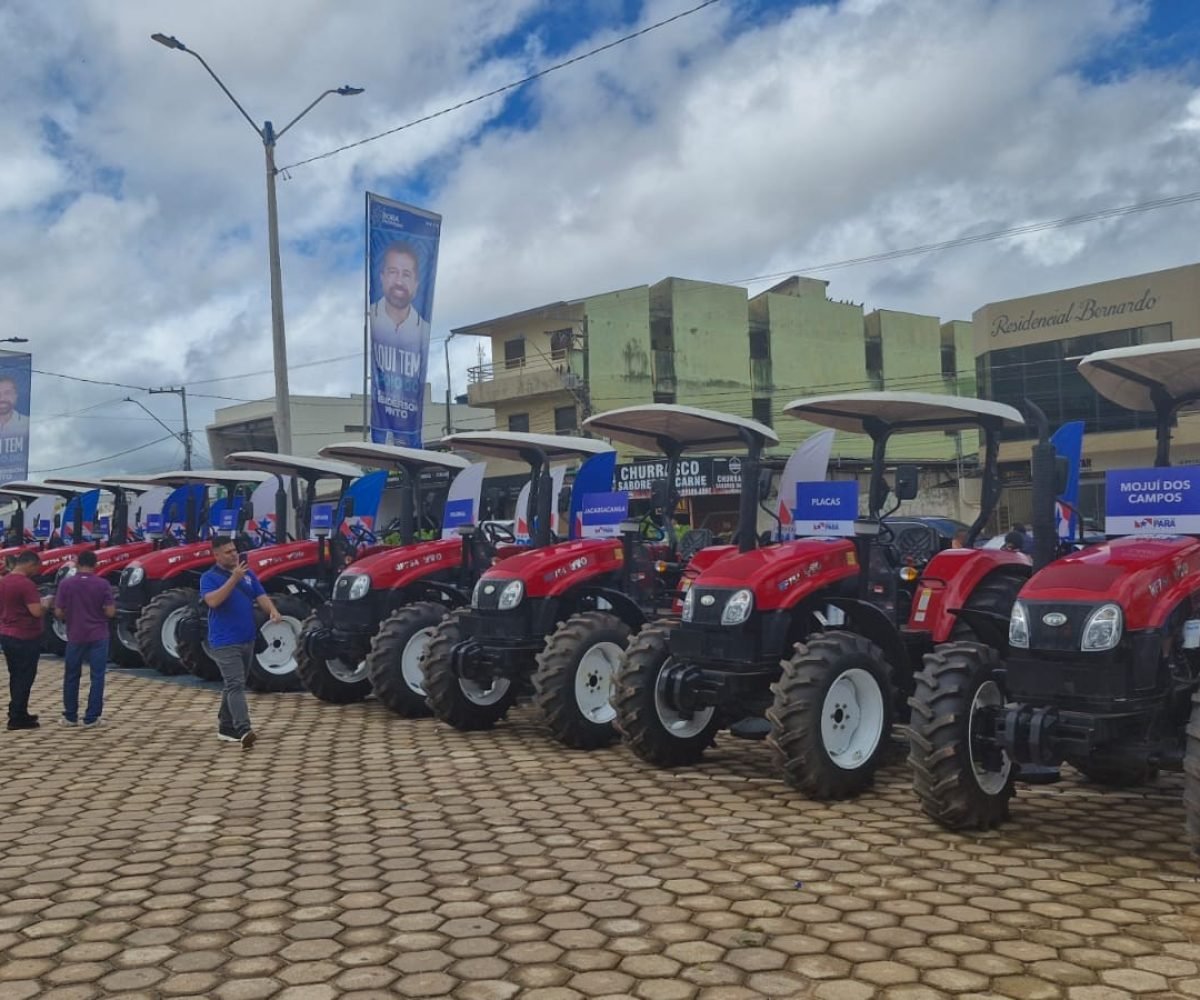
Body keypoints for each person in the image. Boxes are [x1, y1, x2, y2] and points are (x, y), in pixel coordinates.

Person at [200, 537, 282, 749]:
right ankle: (243, 729)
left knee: (234, 684)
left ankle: (225, 727)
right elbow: (213, 601)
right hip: (224, 640)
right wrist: (233, 579)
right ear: (216, 555)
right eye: (228, 552)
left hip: (247, 638)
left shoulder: (248, 574)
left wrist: (272, 611)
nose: (234, 554)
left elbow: (260, 595)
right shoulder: (208, 577)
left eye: (234, 550)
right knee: (235, 684)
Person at [54, 550, 115, 728]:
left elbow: (59, 612)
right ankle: (92, 717)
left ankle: (70, 716)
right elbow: (110, 612)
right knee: (97, 676)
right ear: (95, 564)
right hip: (98, 635)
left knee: (72, 676)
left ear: (77, 563)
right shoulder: (103, 584)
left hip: (75, 635)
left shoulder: (66, 584)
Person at [0, 550, 48, 730]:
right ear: (30, 564)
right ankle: (17, 716)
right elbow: (36, 611)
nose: (36, 571)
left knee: (15, 675)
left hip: (7, 633)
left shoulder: (4, 581)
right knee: (25, 677)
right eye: (36, 568)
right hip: (25, 636)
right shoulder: (26, 584)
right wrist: (46, 604)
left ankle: (18, 710)